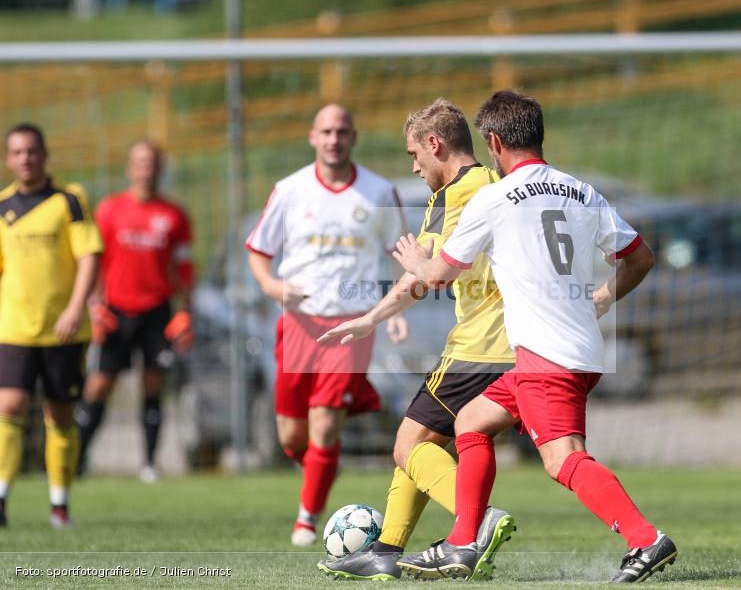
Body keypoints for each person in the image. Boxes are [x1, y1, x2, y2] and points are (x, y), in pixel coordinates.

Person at [393, 91, 677, 583]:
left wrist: (418, 263)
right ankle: (463, 543)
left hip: (547, 356)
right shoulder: (582, 191)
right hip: (578, 348)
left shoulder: (495, 198)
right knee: (473, 422)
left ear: (496, 142)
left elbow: (439, 275)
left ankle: (645, 539)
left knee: (562, 460)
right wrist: (604, 297)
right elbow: (642, 257)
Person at [316, 98, 516, 581]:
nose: (414, 165)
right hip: (522, 343)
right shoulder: (499, 182)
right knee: (421, 440)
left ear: (435, 144)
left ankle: (475, 522)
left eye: (414, 154)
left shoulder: (453, 194)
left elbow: (424, 276)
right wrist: (373, 318)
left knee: (407, 444)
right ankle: (386, 550)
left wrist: (371, 316)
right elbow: (425, 274)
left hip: (477, 345)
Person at [246, 104, 408, 546]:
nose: (334, 139)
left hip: (352, 325)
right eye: (326, 131)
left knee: (325, 424)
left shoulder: (377, 191)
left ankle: (306, 519)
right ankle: (320, 467)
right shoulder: (290, 189)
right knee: (293, 436)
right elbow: (259, 252)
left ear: (354, 137)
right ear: (312, 137)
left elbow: (401, 254)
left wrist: (396, 312)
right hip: (298, 323)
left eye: (342, 131)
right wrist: (271, 285)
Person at [0, 123, 103, 528]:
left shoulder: (69, 201)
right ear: (9, 159)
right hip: (14, 328)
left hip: (64, 329)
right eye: (18, 152)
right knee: (9, 405)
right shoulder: (1, 205)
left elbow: (90, 255)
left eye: (32, 151)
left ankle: (59, 505)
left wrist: (76, 307)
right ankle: (2, 498)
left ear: (45, 155)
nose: (26, 158)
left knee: (60, 414)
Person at [74, 140, 194, 483]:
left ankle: (149, 465)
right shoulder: (110, 210)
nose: (147, 168)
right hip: (116, 311)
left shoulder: (174, 215)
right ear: (130, 167)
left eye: (153, 162)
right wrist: (95, 306)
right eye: (141, 162)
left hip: (158, 311)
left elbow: (184, 267)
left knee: (153, 384)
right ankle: (77, 460)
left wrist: (185, 311)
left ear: (161, 167)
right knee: (98, 385)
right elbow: (94, 262)